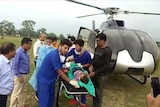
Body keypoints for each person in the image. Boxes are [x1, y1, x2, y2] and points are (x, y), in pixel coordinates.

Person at [37, 39, 80, 107]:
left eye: (68, 48)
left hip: (52, 79)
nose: (66, 50)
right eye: (65, 48)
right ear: (60, 46)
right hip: (44, 80)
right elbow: (58, 71)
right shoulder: (54, 55)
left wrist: (65, 69)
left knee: (51, 99)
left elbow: (61, 66)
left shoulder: (64, 55)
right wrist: (70, 81)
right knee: (44, 100)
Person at [66, 39, 92, 107]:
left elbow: (89, 63)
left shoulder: (86, 54)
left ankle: (83, 102)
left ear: (81, 46)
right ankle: (75, 98)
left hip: (83, 71)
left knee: (83, 86)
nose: (76, 48)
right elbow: (67, 55)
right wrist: (67, 60)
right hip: (75, 69)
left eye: (77, 46)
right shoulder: (73, 50)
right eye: (75, 46)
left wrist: (82, 65)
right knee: (73, 83)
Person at [89, 33, 112, 107]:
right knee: (94, 90)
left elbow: (106, 65)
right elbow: (95, 58)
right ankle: (94, 104)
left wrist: (95, 73)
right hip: (94, 72)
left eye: (98, 41)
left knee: (99, 91)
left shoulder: (108, 50)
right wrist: (91, 65)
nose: (97, 42)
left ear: (103, 40)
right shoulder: (97, 48)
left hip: (102, 74)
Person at [29, 36, 55, 100]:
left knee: (46, 82)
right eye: (47, 42)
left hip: (49, 69)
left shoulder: (53, 49)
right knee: (38, 81)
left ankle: (45, 94)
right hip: (40, 67)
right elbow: (44, 58)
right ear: (46, 41)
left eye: (50, 42)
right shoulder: (42, 48)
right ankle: (37, 94)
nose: (48, 43)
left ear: (52, 42)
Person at [10, 38, 32, 107]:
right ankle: (13, 105)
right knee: (16, 92)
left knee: (23, 91)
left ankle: (21, 105)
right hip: (19, 75)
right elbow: (14, 65)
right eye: (29, 45)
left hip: (25, 74)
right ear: (24, 44)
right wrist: (19, 76)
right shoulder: (19, 52)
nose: (30, 46)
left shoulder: (25, 52)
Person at [0, 42, 16, 107]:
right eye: (14, 50)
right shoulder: (1, 63)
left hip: (4, 93)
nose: (16, 52)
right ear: (10, 52)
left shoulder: (10, 61)